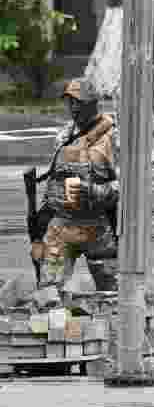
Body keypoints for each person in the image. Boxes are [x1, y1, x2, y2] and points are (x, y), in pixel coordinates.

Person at [32, 78, 120, 301]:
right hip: (63, 226)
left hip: (99, 229)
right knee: (48, 295)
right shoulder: (63, 136)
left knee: (113, 297)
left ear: (93, 103)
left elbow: (126, 188)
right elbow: (54, 182)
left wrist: (93, 191)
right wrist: (39, 233)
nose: (73, 107)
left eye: (78, 102)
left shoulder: (112, 138)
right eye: (69, 102)